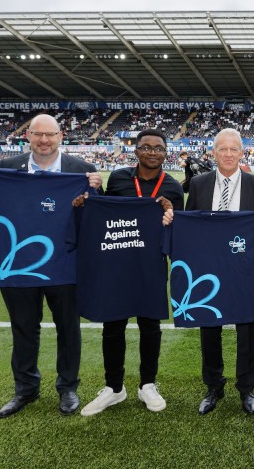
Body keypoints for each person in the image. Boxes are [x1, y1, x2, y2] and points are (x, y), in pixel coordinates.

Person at [0, 114, 103, 418]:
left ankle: (68, 387)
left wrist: (96, 190)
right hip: (18, 264)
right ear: (28, 136)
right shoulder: (7, 167)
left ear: (61, 136)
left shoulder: (82, 170)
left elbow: (97, 216)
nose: (44, 140)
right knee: (23, 327)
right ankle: (25, 388)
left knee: (68, 327)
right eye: (38, 134)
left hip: (66, 262)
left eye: (50, 134)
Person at [79, 129, 183, 417]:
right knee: (113, 324)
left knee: (150, 325)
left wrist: (171, 213)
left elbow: (178, 229)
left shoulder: (173, 187)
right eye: (146, 147)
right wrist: (89, 200)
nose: (152, 152)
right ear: (136, 151)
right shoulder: (119, 178)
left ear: (166, 153)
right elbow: (105, 212)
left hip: (151, 263)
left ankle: (147, 384)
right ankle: (114, 387)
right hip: (118, 261)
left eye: (158, 148)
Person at [184, 129, 254, 416]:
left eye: (233, 149)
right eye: (222, 149)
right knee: (208, 326)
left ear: (241, 153)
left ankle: (246, 388)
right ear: (213, 153)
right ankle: (213, 386)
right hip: (208, 267)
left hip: (244, 268)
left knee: (246, 329)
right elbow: (190, 225)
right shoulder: (198, 184)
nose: (227, 154)